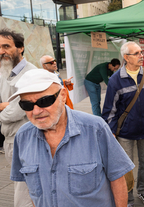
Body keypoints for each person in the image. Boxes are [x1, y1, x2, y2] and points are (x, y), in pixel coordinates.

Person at [9, 69, 134, 207]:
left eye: (45, 101)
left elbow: (118, 178)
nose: (36, 111)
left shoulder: (95, 128)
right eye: (27, 105)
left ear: (63, 95)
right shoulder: (22, 137)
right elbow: (33, 191)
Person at [102, 42, 144, 207]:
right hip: (125, 132)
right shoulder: (115, 80)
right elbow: (109, 109)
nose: (141, 55)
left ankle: (142, 191)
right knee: (126, 167)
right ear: (126, 57)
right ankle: (128, 199)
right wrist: (111, 131)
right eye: (137, 53)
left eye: (141, 52)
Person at [0, 28, 36, 207]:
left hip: (24, 139)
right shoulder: (5, 70)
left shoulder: (30, 73)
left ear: (20, 48)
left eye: (6, 46)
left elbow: (14, 112)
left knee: (24, 193)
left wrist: (3, 108)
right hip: (10, 139)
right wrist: (4, 106)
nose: (1, 51)